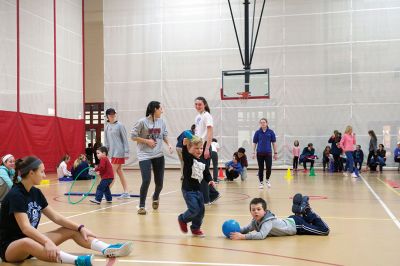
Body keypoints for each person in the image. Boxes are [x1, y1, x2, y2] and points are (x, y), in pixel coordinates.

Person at [0, 156, 133, 265]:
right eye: (42, 171)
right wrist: (47, 242)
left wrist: (80, 227)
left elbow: (56, 218)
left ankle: (106, 248)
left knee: (71, 230)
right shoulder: (16, 195)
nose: (44, 175)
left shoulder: (36, 192)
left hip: (31, 241)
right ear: (31, 173)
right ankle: (76, 261)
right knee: (26, 241)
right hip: (11, 248)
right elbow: (26, 228)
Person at [131, 101, 172, 215]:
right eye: (160, 109)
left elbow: (164, 135)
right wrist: (146, 141)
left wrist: (169, 144)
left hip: (158, 155)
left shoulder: (162, 122)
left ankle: (155, 196)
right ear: (155, 109)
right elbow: (133, 136)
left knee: (159, 183)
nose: (162, 111)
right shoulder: (141, 122)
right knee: (146, 180)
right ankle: (142, 206)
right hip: (144, 155)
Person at [230, 195, 329, 240]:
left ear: (265, 211)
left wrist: (243, 237)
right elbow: (247, 229)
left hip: (298, 226)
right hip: (291, 220)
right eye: (253, 210)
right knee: (309, 222)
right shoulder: (255, 221)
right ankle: (301, 211)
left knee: (324, 230)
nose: (256, 211)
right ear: (250, 212)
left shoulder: (267, 221)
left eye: (258, 209)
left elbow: (261, 235)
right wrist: (235, 231)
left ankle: (307, 210)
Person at [178, 134, 215, 237]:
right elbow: (185, 153)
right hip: (188, 190)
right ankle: (182, 219)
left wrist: (210, 180)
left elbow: (206, 172)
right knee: (194, 209)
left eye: (201, 148)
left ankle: (195, 228)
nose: (199, 150)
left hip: (198, 190)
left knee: (201, 211)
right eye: (196, 148)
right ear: (190, 149)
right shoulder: (189, 158)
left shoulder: (202, 160)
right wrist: (184, 145)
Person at [194, 97, 220, 204]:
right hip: (198, 145)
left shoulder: (207, 116)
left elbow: (210, 133)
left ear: (204, 104)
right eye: (196, 104)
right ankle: (213, 194)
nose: (197, 106)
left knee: (202, 171)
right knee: (200, 171)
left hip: (204, 146)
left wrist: (206, 148)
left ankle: (207, 199)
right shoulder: (198, 117)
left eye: (199, 104)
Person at [104, 108, 130, 199]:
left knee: (111, 173)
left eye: (114, 114)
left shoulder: (120, 125)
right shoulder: (107, 127)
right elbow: (106, 142)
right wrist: (105, 153)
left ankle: (105, 193)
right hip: (112, 153)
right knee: (119, 171)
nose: (112, 116)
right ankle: (126, 192)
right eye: (110, 115)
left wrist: (126, 152)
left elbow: (125, 140)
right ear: (107, 116)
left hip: (119, 152)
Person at [252, 118, 278, 189]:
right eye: (261, 122)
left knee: (269, 168)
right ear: (260, 124)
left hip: (268, 153)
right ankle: (261, 182)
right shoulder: (257, 132)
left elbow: (274, 143)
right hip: (259, 153)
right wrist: (253, 152)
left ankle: (267, 180)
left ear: (267, 123)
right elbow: (254, 143)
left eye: (264, 122)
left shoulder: (271, 132)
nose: (262, 124)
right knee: (261, 168)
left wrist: (275, 153)